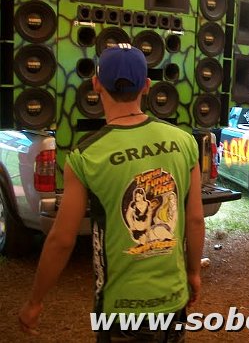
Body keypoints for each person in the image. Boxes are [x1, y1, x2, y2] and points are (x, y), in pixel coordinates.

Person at [19, 44, 205, 342]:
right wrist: (193, 273)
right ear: (147, 86)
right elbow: (195, 219)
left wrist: (35, 301)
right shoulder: (184, 142)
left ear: (96, 84)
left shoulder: (86, 156)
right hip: (174, 300)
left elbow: (62, 239)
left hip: (120, 309)